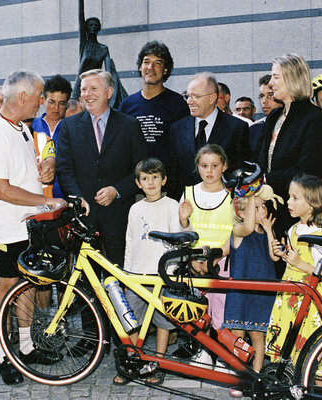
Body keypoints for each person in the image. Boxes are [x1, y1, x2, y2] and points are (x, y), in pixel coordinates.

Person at [0, 70, 61, 385]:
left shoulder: (22, 128)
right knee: (8, 286)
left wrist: (42, 170)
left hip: (27, 224)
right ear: (24, 97)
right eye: (39, 96)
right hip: (7, 227)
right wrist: (47, 203)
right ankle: (5, 355)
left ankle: (25, 347)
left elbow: (24, 175)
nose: (42, 102)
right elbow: (2, 189)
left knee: (24, 284)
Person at [57, 69, 147, 267]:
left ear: (109, 92)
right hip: (84, 215)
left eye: (93, 89)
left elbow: (141, 171)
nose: (87, 94)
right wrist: (77, 197)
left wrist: (117, 190)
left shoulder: (129, 126)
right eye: (83, 90)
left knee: (119, 271)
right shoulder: (68, 126)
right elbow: (64, 169)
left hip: (118, 215)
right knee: (84, 278)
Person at [116, 158, 180, 387]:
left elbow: (177, 239)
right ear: (138, 183)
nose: (151, 182)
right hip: (137, 276)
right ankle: (135, 360)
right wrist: (127, 274)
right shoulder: (135, 208)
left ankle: (159, 362)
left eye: (155, 177)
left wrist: (170, 274)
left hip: (161, 276)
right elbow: (130, 242)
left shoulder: (172, 206)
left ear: (164, 180)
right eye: (145, 178)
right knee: (132, 321)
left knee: (163, 322)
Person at [255, 54, 322, 241]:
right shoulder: (274, 116)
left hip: (301, 214)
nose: (271, 83)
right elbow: (263, 160)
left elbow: (308, 170)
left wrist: (264, 180)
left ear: (293, 78)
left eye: (276, 77)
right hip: (271, 211)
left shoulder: (316, 118)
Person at [265, 174, 322, 369]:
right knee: (289, 350)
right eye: (289, 197)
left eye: (295, 198)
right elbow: (277, 259)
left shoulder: (320, 236)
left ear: (312, 204)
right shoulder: (293, 229)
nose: (289, 202)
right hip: (289, 296)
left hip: (310, 300)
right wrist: (274, 240)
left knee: (314, 358)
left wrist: (299, 263)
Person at [222, 186, 282, 375]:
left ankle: (256, 375)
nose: (262, 210)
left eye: (263, 206)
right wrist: (252, 196)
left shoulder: (266, 234)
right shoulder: (239, 231)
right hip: (241, 293)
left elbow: (275, 257)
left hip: (262, 293)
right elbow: (248, 227)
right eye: (256, 208)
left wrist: (270, 230)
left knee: (258, 336)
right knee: (238, 335)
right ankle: (238, 373)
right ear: (241, 212)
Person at [168, 73, 249, 199]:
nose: (189, 101)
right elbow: (173, 174)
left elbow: (240, 172)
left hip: (223, 205)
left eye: (195, 96)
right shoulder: (177, 128)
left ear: (212, 98)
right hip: (187, 204)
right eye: (187, 96)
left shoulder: (236, 128)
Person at [179, 145, 233, 333]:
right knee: (197, 313)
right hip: (194, 263)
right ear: (197, 167)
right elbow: (182, 231)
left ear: (224, 166)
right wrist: (184, 220)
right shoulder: (188, 193)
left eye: (214, 165)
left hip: (222, 264)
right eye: (204, 166)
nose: (209, 171)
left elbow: (235, 233)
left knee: (221, 313)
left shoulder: (232, 195)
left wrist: (215, 259)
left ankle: (222, 356)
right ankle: (201, 354)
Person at [119, 41, 189, 183]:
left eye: (158, 63)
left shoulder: (178, 104)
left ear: (165, 70)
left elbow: (184, 149)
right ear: (140, 67)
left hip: (166, 185)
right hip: (135, 185)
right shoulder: (127, 104)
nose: (151, 67)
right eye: (146, 62)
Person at [71, 12, 127, 109]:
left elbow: (109, 71)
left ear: (99, 28)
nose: (93, 27)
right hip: (81, 83)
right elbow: (80, 17)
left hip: (95, 83)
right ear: (86, 28)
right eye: (91, 25)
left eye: (96, 25)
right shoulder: (84, 44)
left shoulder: (104, 48)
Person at [31, 75, 72, 198]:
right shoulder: (30, 126)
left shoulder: (73, 129)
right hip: (34, 196)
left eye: (62, 103)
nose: (56, 108)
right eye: (52, 102)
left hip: (64, 198)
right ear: (43, 100)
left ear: (68, 104)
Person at [250, 75, 279, 157]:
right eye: (262, 96)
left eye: (270, 95)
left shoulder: (296, 128)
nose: (264, 101)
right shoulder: (254, 130)